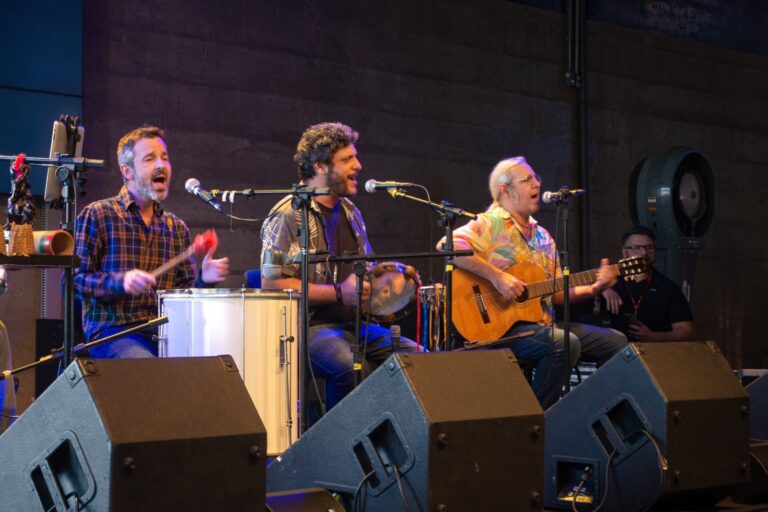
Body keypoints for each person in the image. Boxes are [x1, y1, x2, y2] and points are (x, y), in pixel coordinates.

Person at [440, 156, 627, 408]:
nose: (537, 184)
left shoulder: (543, 237)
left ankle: (588, 411)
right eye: (527, 179)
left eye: (536, 177)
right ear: (505, 190)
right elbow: (448, 246)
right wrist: (498, 277)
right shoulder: (489, 223)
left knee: (617, 343)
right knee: (563, 344)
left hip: (542, 323)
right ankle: (538, 418)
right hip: (500, 328)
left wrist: (595, 288)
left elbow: (557, 293)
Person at [260, 122, 417, 410]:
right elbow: (271, 284)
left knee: (417, 358)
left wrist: (393, 281)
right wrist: (337, 292)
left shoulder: (351, 212)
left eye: (355, 157)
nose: (358, 165)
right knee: (349, 365)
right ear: (320, 166)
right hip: (307, 328)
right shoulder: (287, 215)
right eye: (347, 159)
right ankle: (342, 448)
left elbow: (365, 274)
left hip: (354, 325)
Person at [74, 126, 229, 358]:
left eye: (164, 158)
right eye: (149, 158)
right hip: (113, 332)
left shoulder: (176, 227)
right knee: (149, 370)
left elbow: (185, 297)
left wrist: (204, 280)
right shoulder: (97, 214)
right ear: (127, 171)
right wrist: (121, 282)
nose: (161, 165)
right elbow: (74, 281)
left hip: (164, 332)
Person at [602, 225, 694, 341]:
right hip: (612, 352)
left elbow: (686, 331)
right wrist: (602, 288)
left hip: (654, 353)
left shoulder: (668, 288)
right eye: (637, 248)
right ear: (625, 253)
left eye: (649, 247)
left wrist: (654, 336)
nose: (644, 252)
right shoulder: (610, 281)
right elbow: (576, 288)